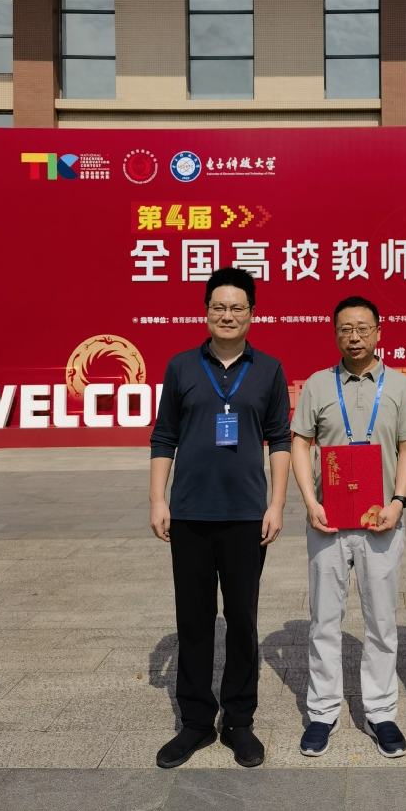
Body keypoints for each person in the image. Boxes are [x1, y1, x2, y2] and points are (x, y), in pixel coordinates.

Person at [149, 266, 291, 769]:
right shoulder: (182, 366)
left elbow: (280, 439)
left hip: (247, 516)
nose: (227, 315)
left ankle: (238, 721)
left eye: (237, 307)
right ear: (206, 311)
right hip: (189, 512)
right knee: (193, 620)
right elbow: (164, 436)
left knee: (242, 620)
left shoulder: (269, 369)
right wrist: (158, 499)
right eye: (219, 307)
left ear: (252, 313)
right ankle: (194, 722)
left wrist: (276, 504)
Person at [291, 296, 406, 758]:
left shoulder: (400, 385)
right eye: (346, 329)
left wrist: (398, 500)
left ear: (378, 332)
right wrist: (311, 502)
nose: (354, 337)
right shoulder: (317, 384)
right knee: (324, 621)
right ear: (335, 334)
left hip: (380, 522)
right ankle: (322, 712)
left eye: (363, 328)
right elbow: (300, 443)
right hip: (328, 522)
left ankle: (381, 712)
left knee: (381, 623)